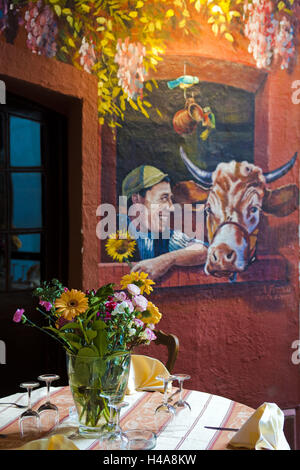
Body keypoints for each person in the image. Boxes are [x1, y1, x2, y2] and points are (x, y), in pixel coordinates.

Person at [119, 165, 207, 280]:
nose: (171, 208)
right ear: (136, 200)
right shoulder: (112, 232)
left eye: (170, 199)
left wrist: (166, 260)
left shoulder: (169, 237)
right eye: (163, 198)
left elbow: (202, 250)